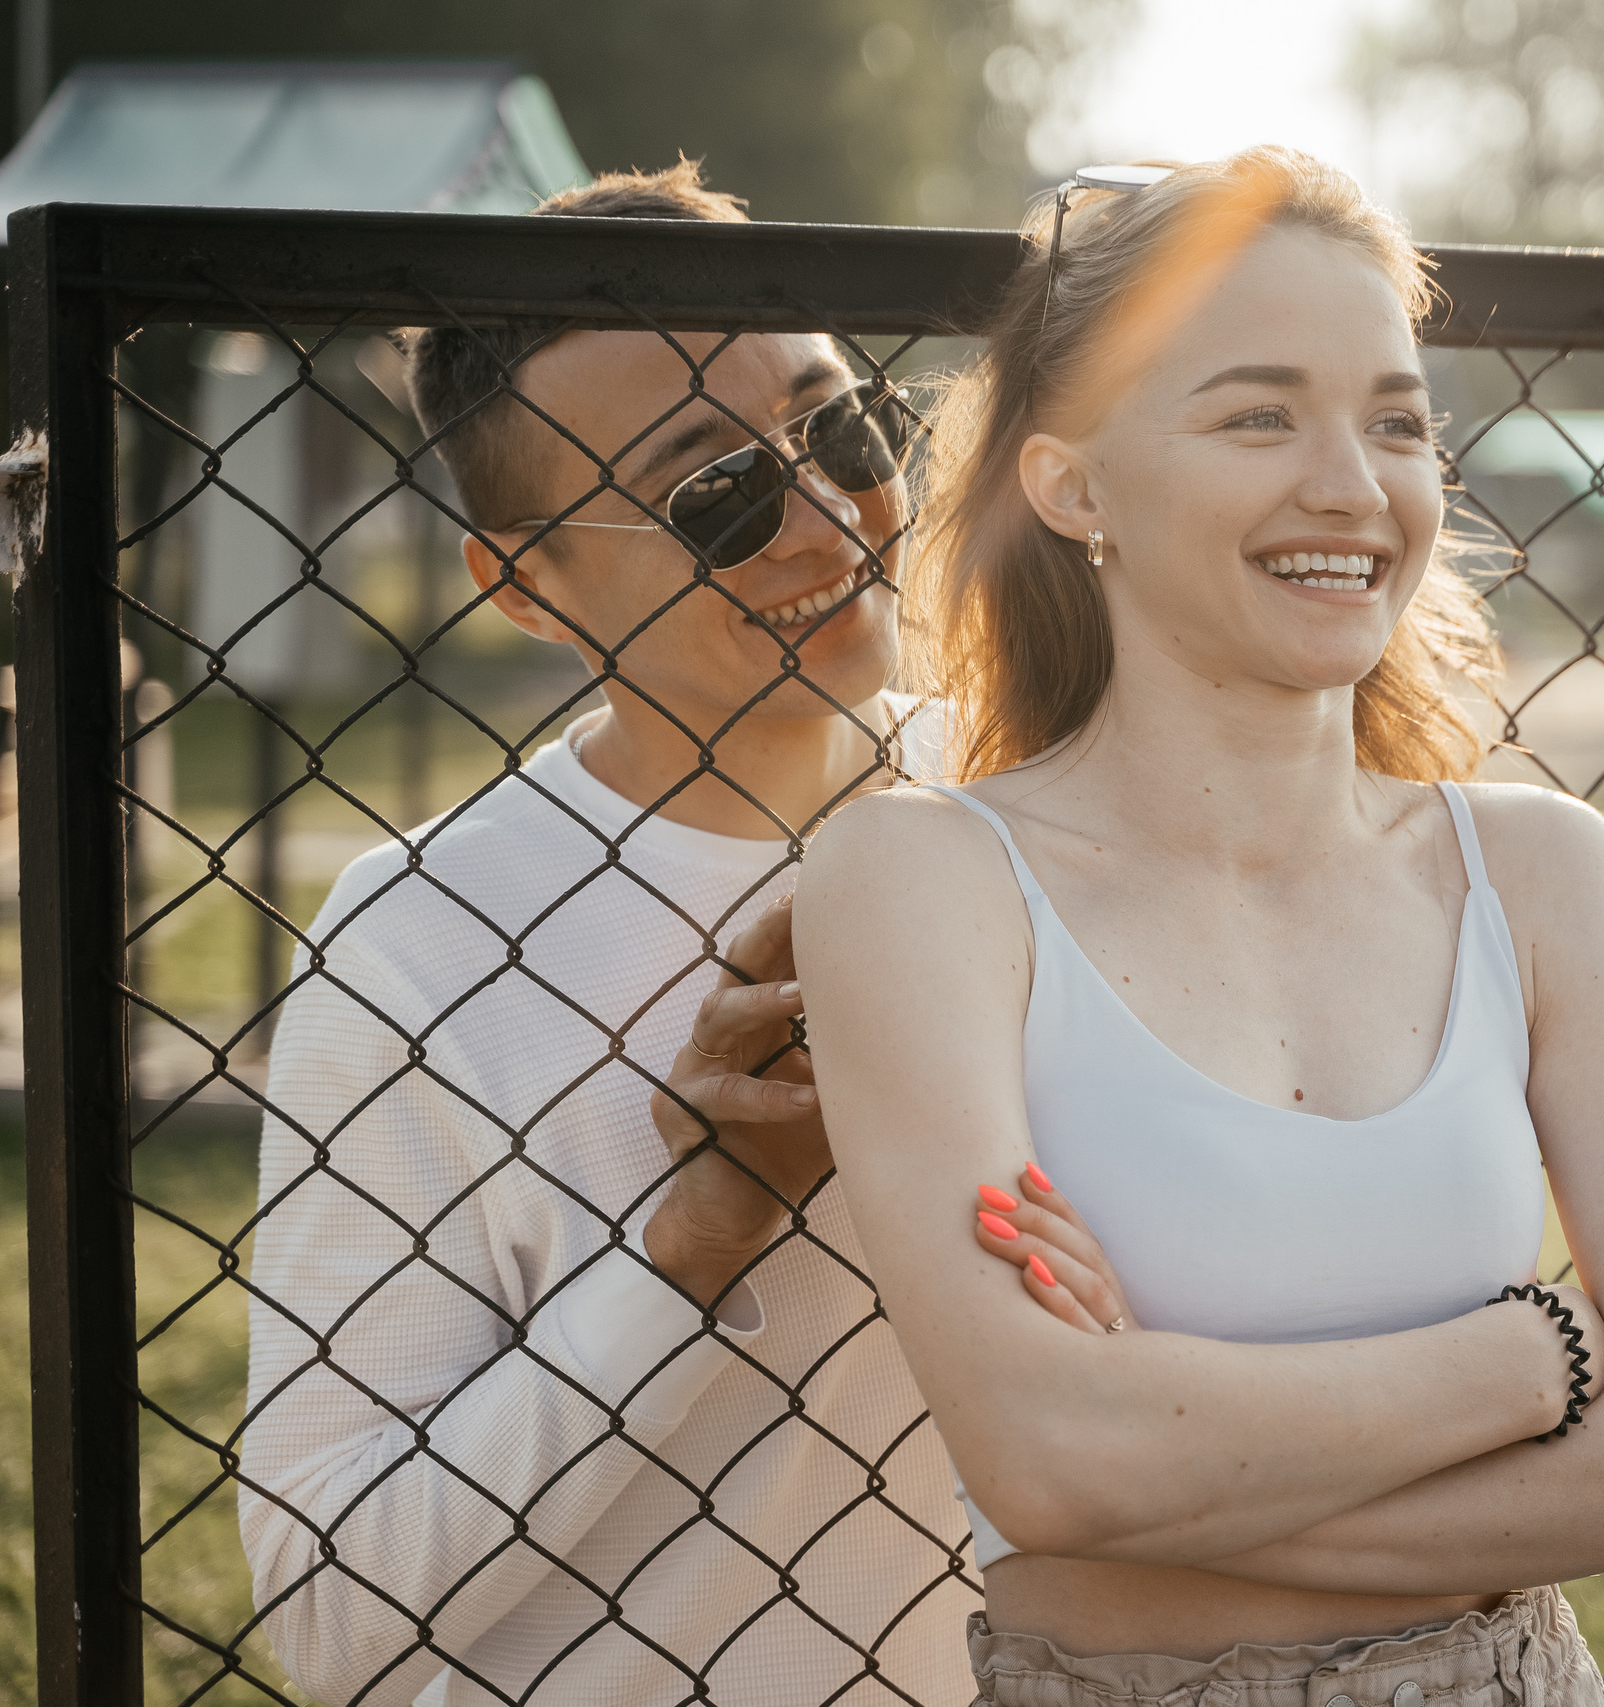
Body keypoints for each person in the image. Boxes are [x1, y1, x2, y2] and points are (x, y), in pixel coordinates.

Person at [793, 148, 1604, 1704]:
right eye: (1258, 415)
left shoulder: (1538, 871)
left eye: (1397, 421)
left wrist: (1174, 1478)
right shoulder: (925, 884)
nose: (1353, 486)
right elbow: (1046, 1466)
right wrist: (1537, 1359)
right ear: (1073, 483)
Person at [238, 162, 975, 1707]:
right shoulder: (419, 945)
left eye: (841, 429)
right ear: (528, 587)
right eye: (714, 490)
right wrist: (687, 1252)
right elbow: (320, 1610)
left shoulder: (1031, 792)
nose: (827, 512)